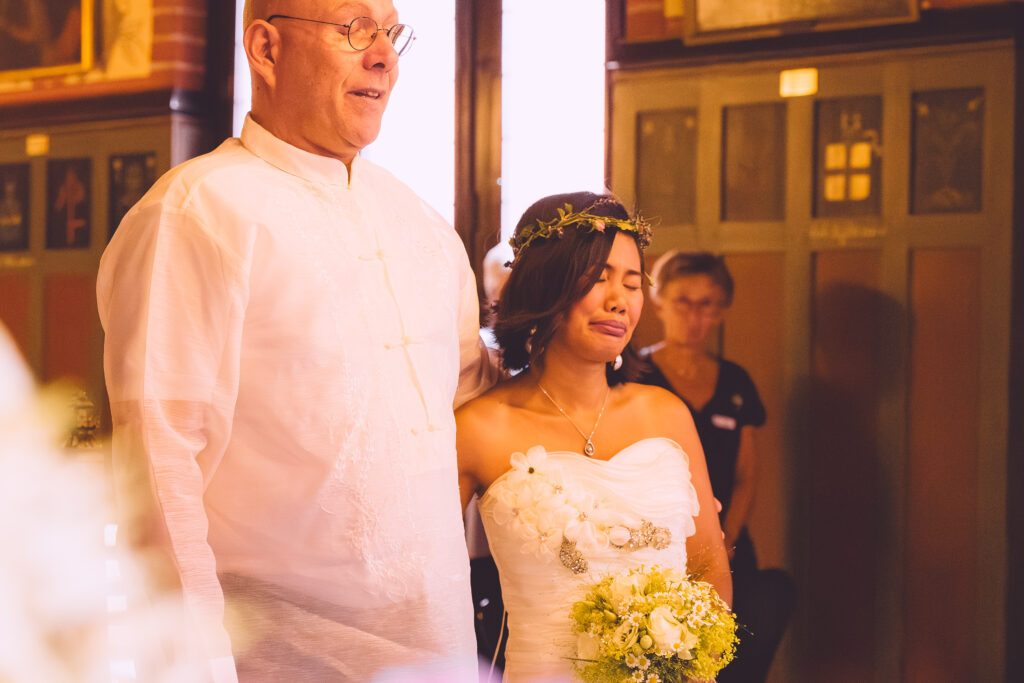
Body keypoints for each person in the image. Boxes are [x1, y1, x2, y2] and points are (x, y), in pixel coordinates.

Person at [97, 1, 495, 681]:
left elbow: (476, 411)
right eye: (355, 29)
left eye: (392, 35)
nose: (384, 57)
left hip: (443, 646)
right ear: (265, 48)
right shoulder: (198, 213)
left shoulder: (424, 227)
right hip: (279, 658)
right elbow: (159, 464)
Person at [456, 192, 732, 681]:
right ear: (545, 285)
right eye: (598, 279)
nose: (618, 301)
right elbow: (426, 579)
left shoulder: (667, 415)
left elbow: (709, 571)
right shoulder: (480, 427)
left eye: (632, 283)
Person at [636, 251, 795, 683]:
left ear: (722, 312)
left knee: (729, 661)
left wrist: (723, 545)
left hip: (729, 543)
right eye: (684, 300)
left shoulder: (736, 382)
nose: (694, 315)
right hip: (653, 547)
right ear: (659, 301)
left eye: (707, 304)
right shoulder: (634, 373)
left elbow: (746, 476)